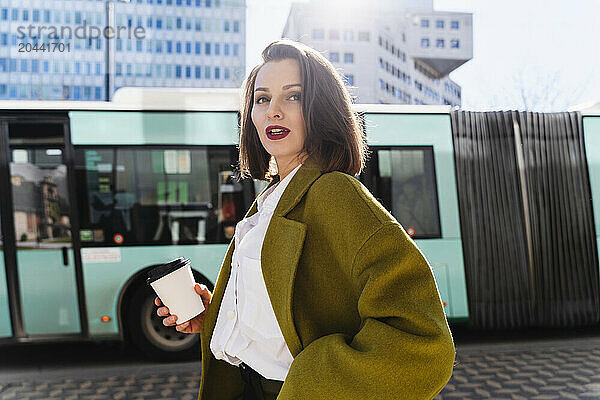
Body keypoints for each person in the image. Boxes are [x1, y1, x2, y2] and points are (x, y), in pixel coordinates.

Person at [155, 39, 455, 400]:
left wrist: (313, 380)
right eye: (262, 99)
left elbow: (422, 340)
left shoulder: (335, 193)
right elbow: (289, 310)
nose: (273, 112)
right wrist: (218, 315)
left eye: (293, 96)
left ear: (321, 108)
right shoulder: (268, 200)